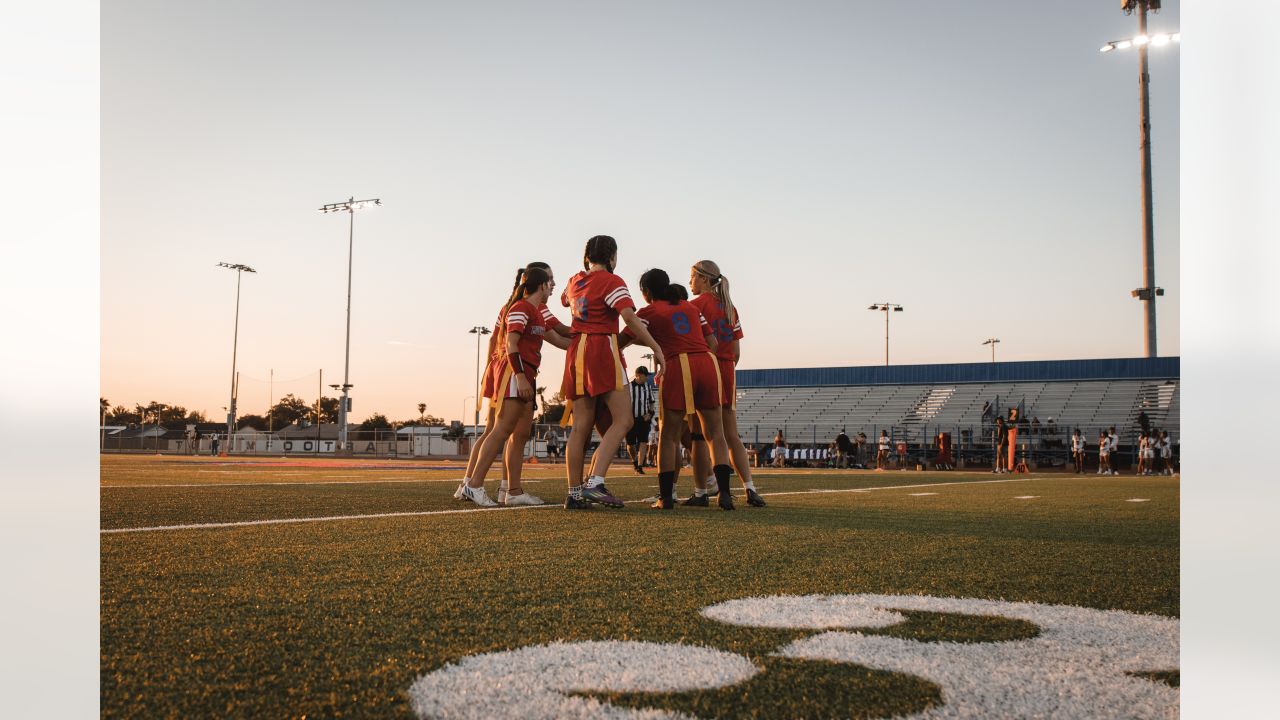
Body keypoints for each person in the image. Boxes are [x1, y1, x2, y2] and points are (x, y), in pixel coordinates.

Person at [559, 235, 665, 510]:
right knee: (624, 420)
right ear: (613, 257)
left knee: (580, 427)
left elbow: (563, 300)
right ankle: (594, 483)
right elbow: (628, 316)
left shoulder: (574, 280)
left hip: (576, 351)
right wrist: (656, 348)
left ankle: (574, 492)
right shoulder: (612, 281)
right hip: (601, 348)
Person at [456, 263, 572, 503]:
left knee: (517, 433)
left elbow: (560, 336)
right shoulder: (519, 307)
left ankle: (512, 490)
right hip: (512, 371)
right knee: (498, 430)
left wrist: (600, 337)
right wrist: (512, 375)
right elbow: (509, 343)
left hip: (524, 372)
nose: (553, 285)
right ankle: (472, 484)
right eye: (550, 281)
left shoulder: (537, 311)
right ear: (540, 284)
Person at [621, 268, 735, 510]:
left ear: (647, 292)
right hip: (707, 362)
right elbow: (712, 342)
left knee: (669, 436)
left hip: (679, 363)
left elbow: (623, 340)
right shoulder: (690, 307)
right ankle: (724, 494)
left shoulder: (649, 310)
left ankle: (666, 497)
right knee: (715, 433)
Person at [683, 260, 766, 507]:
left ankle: (701, 491)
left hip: (706, 367)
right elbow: (737, 351)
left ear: (705, 279)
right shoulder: (730, 307)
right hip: (728, 369)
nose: (690, 282)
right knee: (731, 435)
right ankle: (750, 489)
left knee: (700, 435)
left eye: (693, 277)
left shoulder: (694, 306)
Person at [625, 366, 656, 474]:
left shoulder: (647, 386)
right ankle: (634, 461)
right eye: (645, 375)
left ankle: (640, 466)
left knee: (643, 442)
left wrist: (650, 414)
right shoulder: (628, 387)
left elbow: (652, 402)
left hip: (643, 419)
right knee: (631, 444)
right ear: (638, 375)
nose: (646, 378)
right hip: (631, 419)